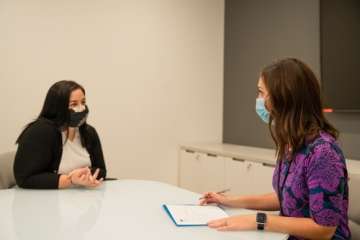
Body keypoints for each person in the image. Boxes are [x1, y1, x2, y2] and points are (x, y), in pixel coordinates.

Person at [200, 58, 350, 239]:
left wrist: (258, 220)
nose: (258, 100)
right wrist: (228, 201)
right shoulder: (291, 144)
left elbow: (323, 229)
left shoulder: (323, 153)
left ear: (284, 99)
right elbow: (285, 198)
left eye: (261, 93)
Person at [14, 80, 106, 189]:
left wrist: (84, 176)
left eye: (83, 102)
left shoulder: (89, 132)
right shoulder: (40, 132)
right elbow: (25, 178)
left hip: (84, 198)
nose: (81, 108)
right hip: (47, 201)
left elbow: (101, 170)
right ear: (58, 107)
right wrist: (70, 180)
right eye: (74, 104)